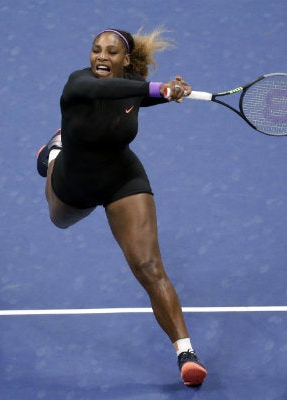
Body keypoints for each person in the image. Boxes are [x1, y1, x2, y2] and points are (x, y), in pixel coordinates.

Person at [35, 27, 207, 386]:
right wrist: (159, 87)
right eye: (96, 50)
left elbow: (135, 96)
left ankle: (186, 353)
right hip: (73, 185)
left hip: (122, 178)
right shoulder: (78, 84)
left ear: (125, 60)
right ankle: (53, 150)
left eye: (111, 53)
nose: (101, 57)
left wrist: (173, 91)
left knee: (148, 266)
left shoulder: (130, 86)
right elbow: (110, 90)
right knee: (58, 219)